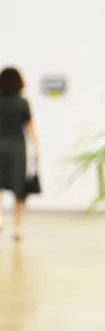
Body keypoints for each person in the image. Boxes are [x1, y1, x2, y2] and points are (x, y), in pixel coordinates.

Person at [0, 67, 38, 241]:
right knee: (18, 188)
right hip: (17, 148)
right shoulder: (22, 103)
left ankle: (0, 219)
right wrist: (37, 148)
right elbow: (30, 128)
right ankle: (16, 227)